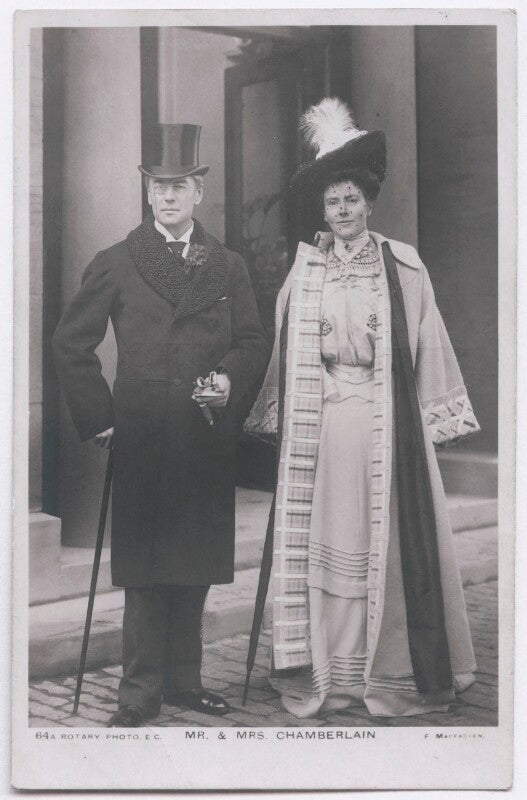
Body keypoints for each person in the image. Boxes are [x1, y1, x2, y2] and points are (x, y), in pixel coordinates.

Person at [245, 98, 479, 718]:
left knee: (385, 543)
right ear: (322, 210)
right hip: (323, 426)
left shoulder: (402, 265)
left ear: (368, 203)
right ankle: (329, 668)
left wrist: (433, 419)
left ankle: (388, 669)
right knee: (326, 540)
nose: (343, 211)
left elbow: (429, 338)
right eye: (333, 202)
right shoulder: (305, 272)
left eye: (352, 199)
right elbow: (284, 349)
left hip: (384, 423)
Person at [53, 123, 268, 726]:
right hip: (143, 435)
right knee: (146, 567)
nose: (168, 196)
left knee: (195, 561)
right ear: (148, 192)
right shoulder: (117, 262)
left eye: (179, 186)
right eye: (158, 187)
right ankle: (139, 693)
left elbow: (252, 342)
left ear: (199, 191)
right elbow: (71, 343)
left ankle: (184, 683)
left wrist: (228, 379)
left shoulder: (227, 265)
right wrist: (100, 416)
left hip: (203, 433)